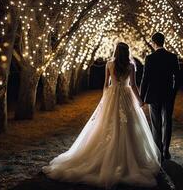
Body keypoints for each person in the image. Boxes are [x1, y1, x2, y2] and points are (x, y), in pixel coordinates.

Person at [42, 42, 161, 188]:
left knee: (107, 125)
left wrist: (105, 100)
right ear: (127, 52)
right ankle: (127, 160)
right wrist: (140, 100)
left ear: (116, 52)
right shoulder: (130, 66)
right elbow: (133, 86)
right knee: (128, 125)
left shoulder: (109, 64)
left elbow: (106, 84)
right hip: (126, 95)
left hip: (112, 95)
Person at [140, 32, 180, 161]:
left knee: (156, 124)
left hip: (153, 95)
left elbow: (145, 79)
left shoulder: (150, 58)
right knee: (167, 122)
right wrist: (173, 93)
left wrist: (141, 97)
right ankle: (166, 151)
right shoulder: (173, 57)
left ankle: (158, 151)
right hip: (168, 94)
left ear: (154, 43)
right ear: (164, 41)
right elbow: (178, 79)